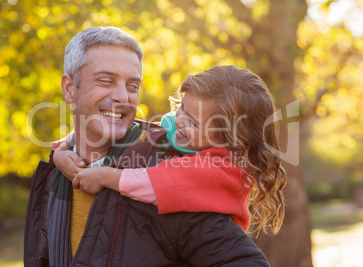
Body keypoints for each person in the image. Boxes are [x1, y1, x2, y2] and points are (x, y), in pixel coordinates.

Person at [24, 26, 271, 267]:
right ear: (69, 89)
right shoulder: (54, 176)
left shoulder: (176, 175)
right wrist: (60, 153)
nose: (123, 96)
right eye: (106, 81)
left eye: (133, 86)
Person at [53, 65, 286, 236]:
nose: (180, 120)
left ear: (230, 140)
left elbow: (158, 183)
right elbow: (120, 133)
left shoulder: (224, 170)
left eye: (193, 122)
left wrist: (104, 176)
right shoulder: (186, 136)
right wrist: (62, 150)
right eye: (183, 107)